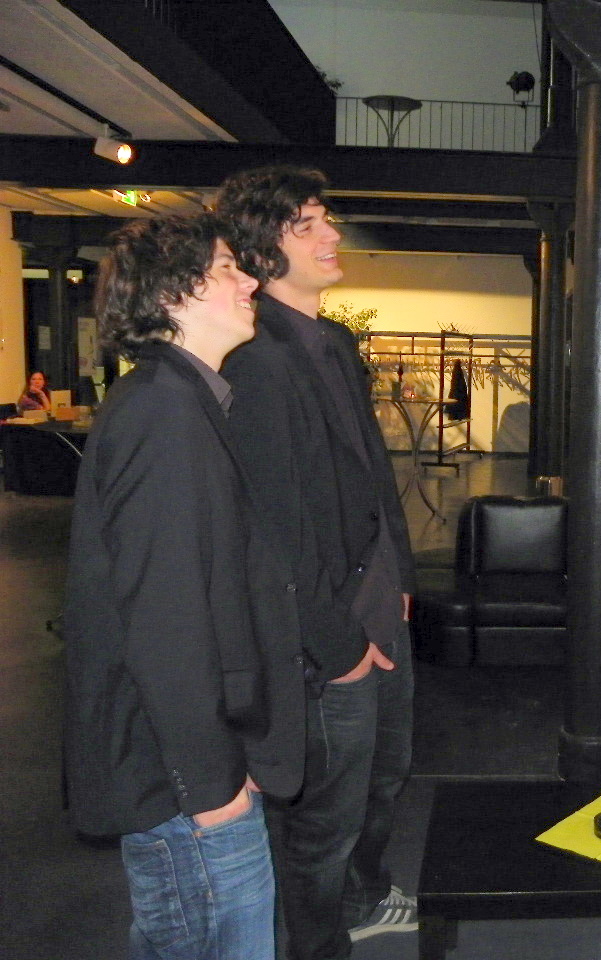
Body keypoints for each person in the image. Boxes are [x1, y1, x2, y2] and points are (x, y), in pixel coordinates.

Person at [62, 215, 307, 960]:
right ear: (172, 293)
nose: (251, 281)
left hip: (191, 766)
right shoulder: (165, 411)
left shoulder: (181, 400)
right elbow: (163, 617)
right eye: (228, 267)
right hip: (183, 786)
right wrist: (209, 784)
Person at [215, 166, 417, 959]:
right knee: (324, 815)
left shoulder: (332, 342)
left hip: (377, 600)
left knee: (385, 775)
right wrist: (337, 644)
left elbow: (371, 474)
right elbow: (272, 529)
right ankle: (319, 943)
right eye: (307, 225)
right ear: (263, 248)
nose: (332, 234)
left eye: (325, 217)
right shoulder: (256, 359)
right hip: (326, 629)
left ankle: (363, 899)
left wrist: (400, 578)